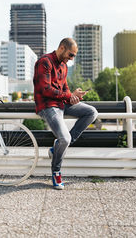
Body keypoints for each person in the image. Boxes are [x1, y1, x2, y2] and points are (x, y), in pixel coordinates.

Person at [33, 38, 98, 189]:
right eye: (71, 55)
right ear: (62, 48)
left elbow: (64, 88)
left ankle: (57, 149)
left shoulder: (64, 65)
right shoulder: (45, 62)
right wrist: (68, 96)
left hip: (62, 103)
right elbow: (46, 89)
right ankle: (56, 171)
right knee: (65, 138)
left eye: (74, 56)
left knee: (91, 112)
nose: (72, 59)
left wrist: (73, 96)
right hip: (48, 106)